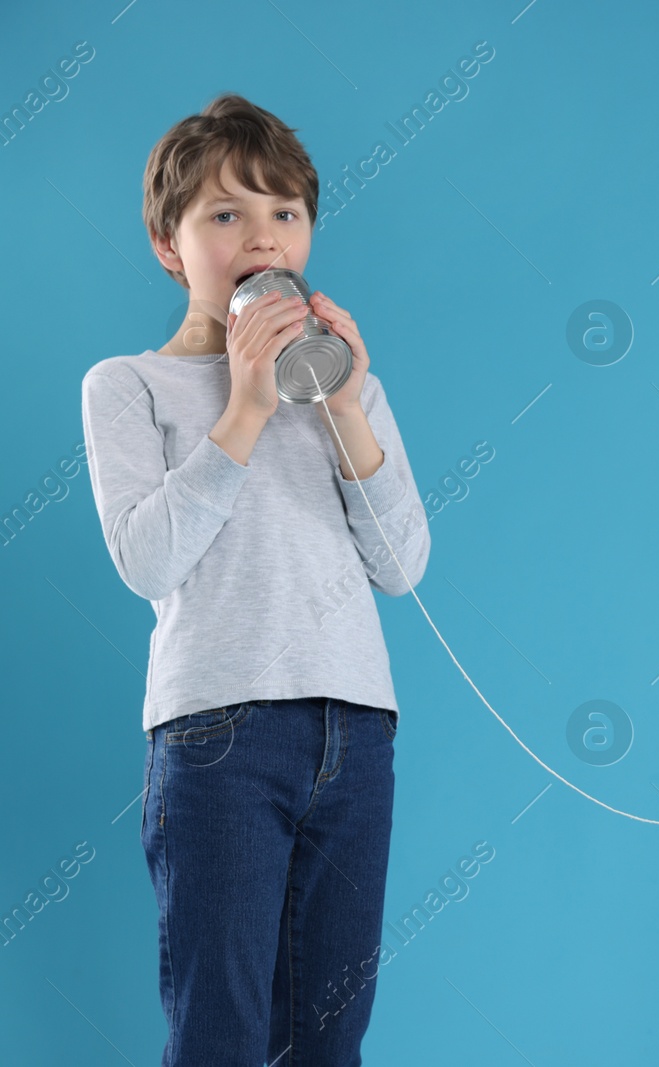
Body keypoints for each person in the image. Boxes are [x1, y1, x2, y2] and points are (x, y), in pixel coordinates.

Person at [80, 92, 430, 1066]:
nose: (262, 236)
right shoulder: (129, 386)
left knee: (329, 1039)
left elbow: (401, 566)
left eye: (284, 213)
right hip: (219, 734)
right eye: (225, 214)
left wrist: (346, 405)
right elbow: (147, 559)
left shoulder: (346, 385)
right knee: (222, 1031)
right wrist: (240, 407)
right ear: (168, 243)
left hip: (356, 728)